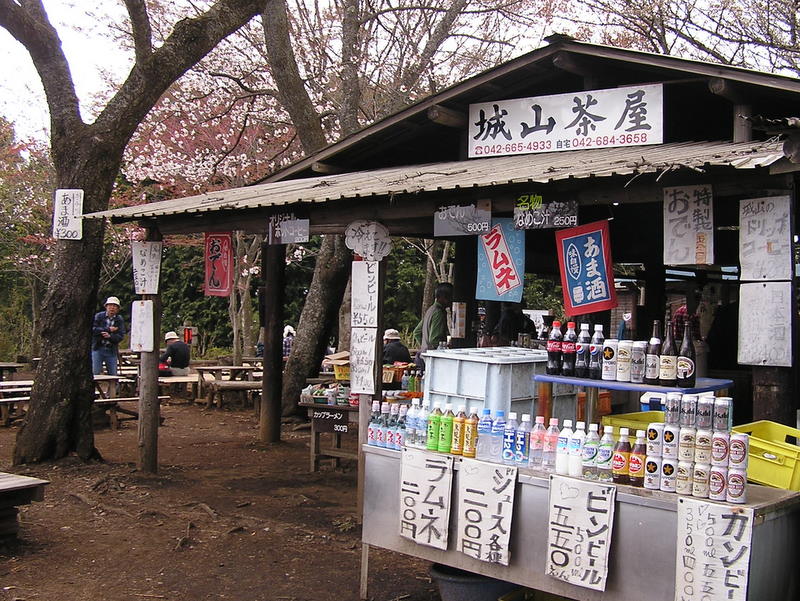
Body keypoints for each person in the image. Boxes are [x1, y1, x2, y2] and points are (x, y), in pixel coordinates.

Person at [413, 282, 453, 371]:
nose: (452, 300)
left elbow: (417, 332)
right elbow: (435, 340)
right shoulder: (439, 313)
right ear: (443, 297)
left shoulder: (431, 310)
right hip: (431, 360)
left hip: (422, 356)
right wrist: (445, 347)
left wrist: (424, 347)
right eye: (450, 297)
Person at [91, 296, 126, 375]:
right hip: (98, 348)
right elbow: (93, 330)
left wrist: (110, 337)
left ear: (118, 309)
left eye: (114, 306)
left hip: (111, 350)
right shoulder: (99, 316)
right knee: (95, 373)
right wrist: (107, 329)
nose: (112, 308)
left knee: (113, 374)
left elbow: (120, 336)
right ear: (106, 307)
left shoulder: (119, 319)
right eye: (110, 305)